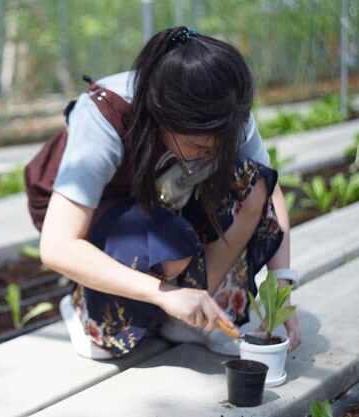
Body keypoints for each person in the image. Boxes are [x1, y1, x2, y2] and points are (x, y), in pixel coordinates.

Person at [38, 27, 302, 359]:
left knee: (253, 185)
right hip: (100, 203)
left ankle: (191, 314)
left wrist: (282, 286)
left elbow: (269, 192)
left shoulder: (226, 110)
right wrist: (162, 294)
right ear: (160, 115)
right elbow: (56, 246)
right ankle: (84, 310)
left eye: (221, 146)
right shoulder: (105, 114)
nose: (212, 155)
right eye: (198, 145)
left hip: (169, 189)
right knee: (171, 246)